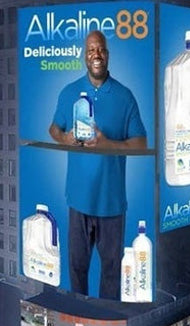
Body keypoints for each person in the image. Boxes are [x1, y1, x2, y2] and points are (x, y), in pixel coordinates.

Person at [49, 30, 147, 299]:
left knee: (111, 272)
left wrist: (110, 145)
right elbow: (53, 129)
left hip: (111, 204)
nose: (96, 55)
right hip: (78, 200)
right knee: (77, 269)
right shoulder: (69, 92)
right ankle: (80, 320)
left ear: (107, 54)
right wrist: (65, 138)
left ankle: (107, 323)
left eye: (101, 49)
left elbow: (140, 143)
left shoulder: (125, 97)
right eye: (91, 50)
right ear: (85, 54)